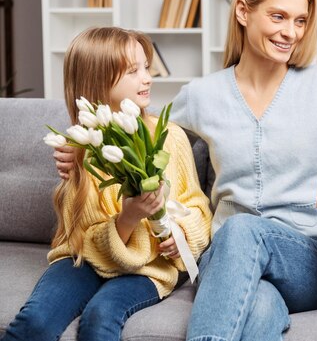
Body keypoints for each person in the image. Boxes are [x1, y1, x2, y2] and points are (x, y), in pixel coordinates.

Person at [52, 0, 317, 341]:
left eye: (300, 20)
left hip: (313, 263)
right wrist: (86, 147)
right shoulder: (202, 96)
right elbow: (144, 136)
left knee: (242, 230)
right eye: (278, 16)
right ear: (243, 11)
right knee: (258, 308)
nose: (291, 31)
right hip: (229, 263)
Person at [2, 27, 212, 341]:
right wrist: (128, 218)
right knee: (36, 322)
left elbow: (197, 205)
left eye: (146, 67)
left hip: (151, 265)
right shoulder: (81, 149)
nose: (147, 78)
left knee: (101, 317)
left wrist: (181, 233)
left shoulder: (169, 136)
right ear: (97, 81)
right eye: (133, 71)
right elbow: (86, 239)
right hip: (82, 259)